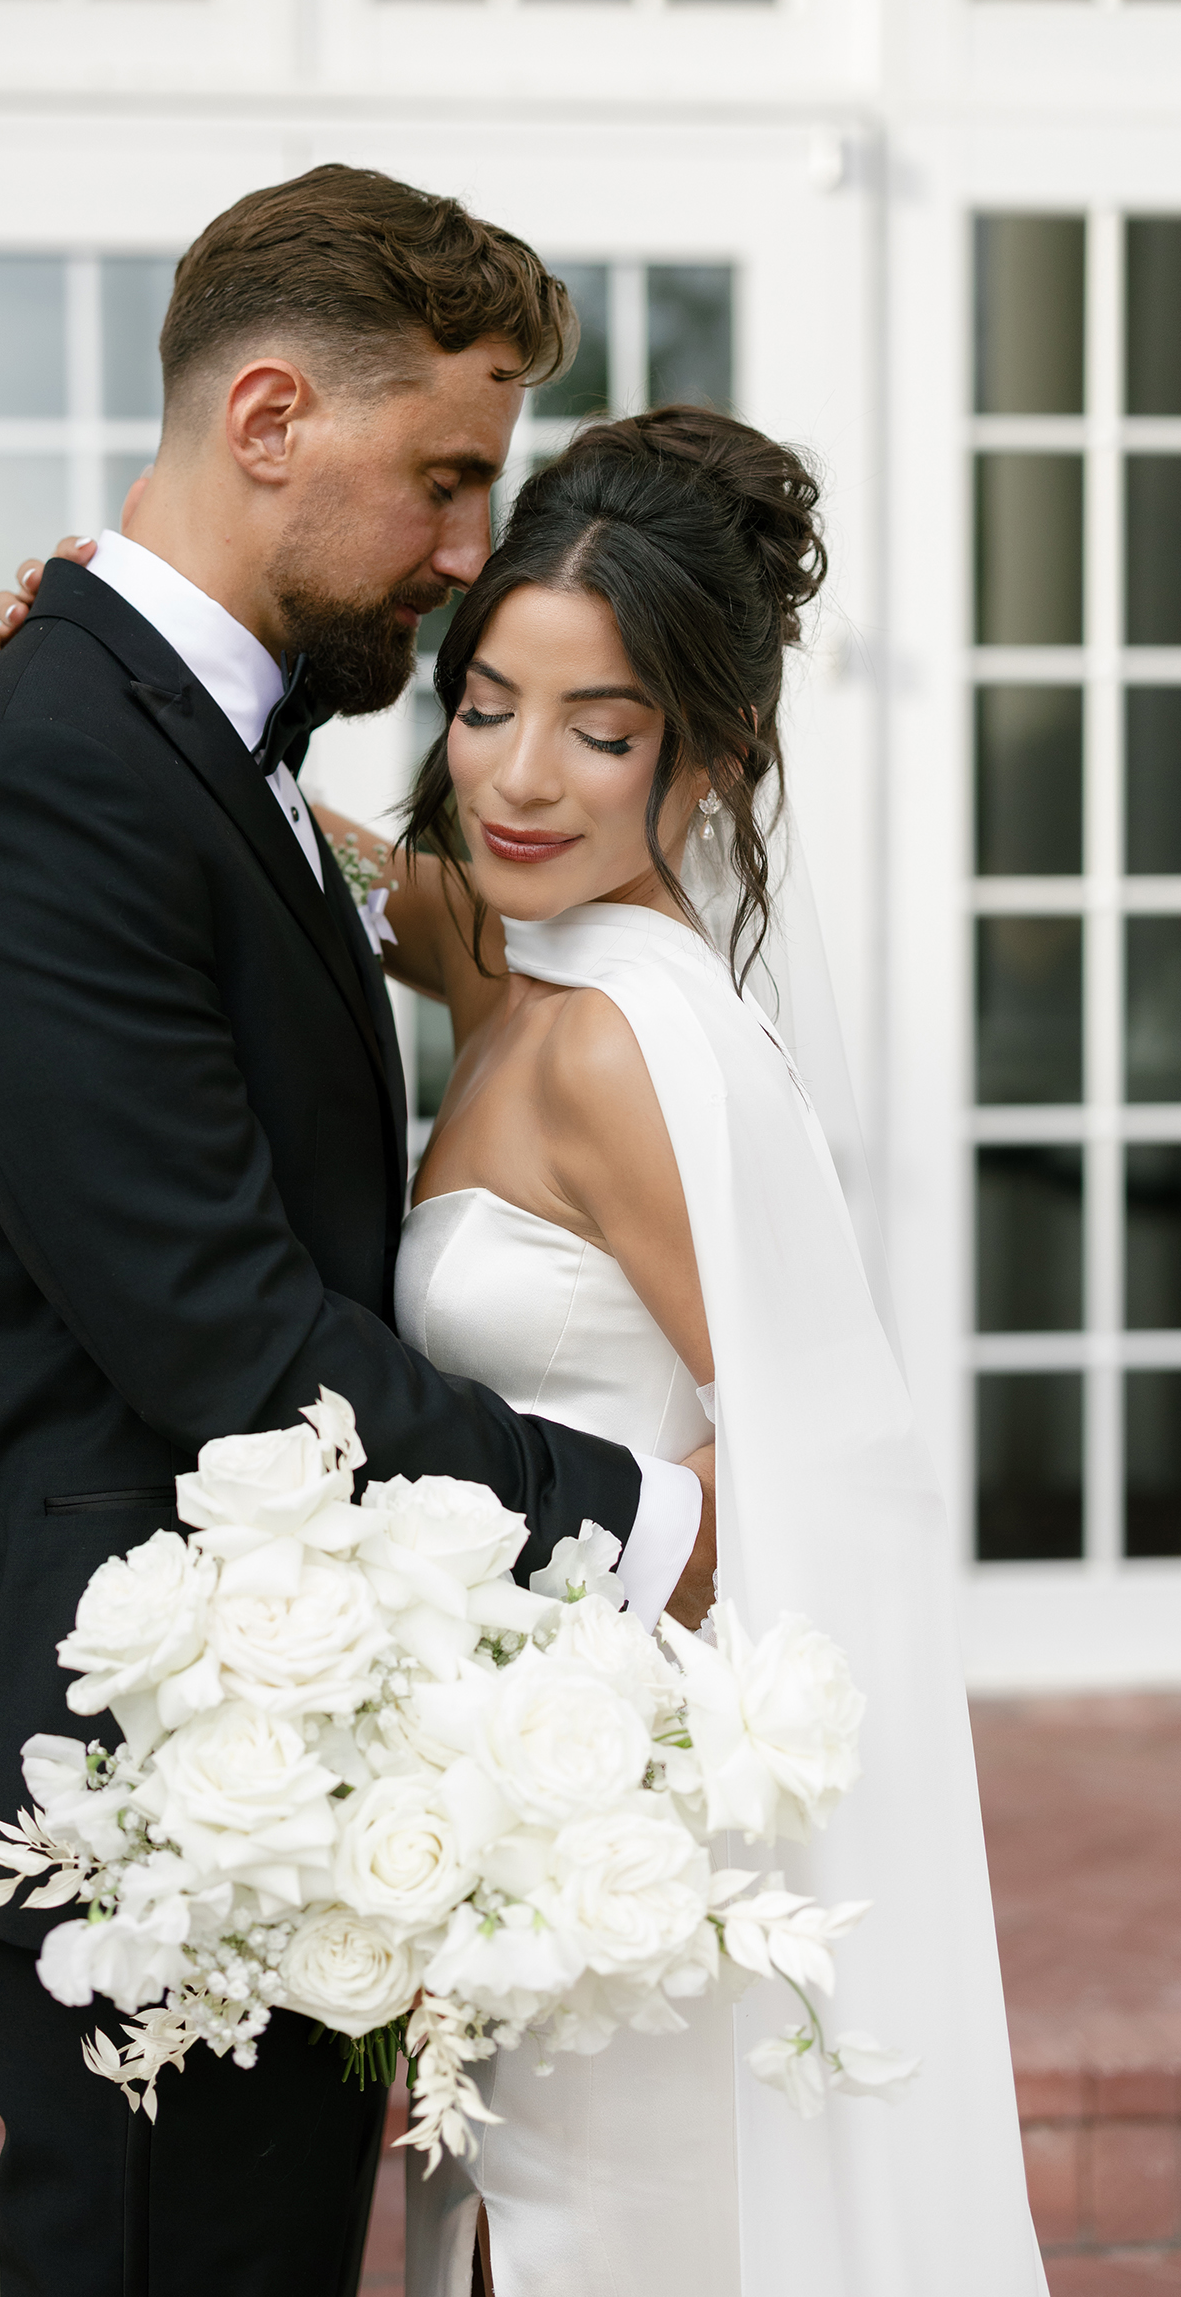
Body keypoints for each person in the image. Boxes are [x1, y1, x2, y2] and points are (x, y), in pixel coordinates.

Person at [0, 165, 715, 2297]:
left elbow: (324, 916)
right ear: (262, 422)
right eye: (436, 479)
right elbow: (231, 1340)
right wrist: (651, 1527)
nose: (452, 549)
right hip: (132, 1794)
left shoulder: (172, 747)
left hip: (280, 1754)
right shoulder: (46, 782)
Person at [308, 407, 1049, 2295]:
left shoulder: (639, 1043)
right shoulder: (530, 953)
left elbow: (812, 1466)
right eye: (486, 706)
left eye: (602, 729)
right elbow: (404, 896)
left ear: (706, 760)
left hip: (611, 1833)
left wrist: (540, 1727)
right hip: (519, 1816)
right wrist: (150, 704)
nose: (521, 779)